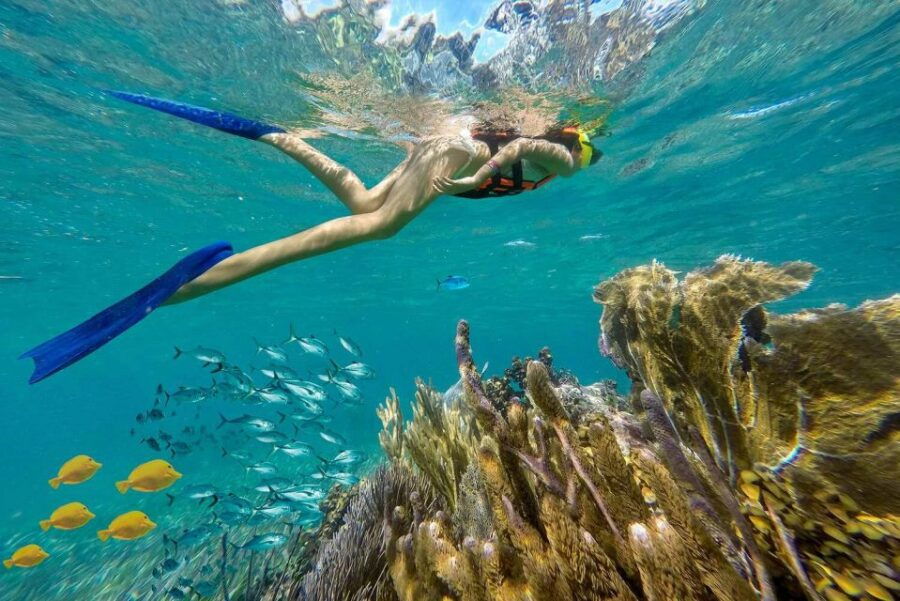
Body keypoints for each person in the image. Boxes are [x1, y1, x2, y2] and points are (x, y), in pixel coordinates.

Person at [20, 92, 602, 383]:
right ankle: (193, 285)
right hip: (461, 151)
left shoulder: (556, 147)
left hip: (450, 143)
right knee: (379, 226)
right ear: (578, 141)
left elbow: (519, 144)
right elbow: (524, 148)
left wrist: (462, 165)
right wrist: (476, 175)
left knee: (360, 201)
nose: (589, 157)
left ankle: (274, 136)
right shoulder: (569, 160)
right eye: (590, 147)